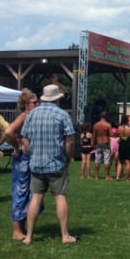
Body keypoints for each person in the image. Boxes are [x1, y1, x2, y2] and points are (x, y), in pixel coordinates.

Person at [21, 84, 78, 245]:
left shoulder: (31, 114)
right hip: (56, 163)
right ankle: (65, 235)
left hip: (36, 164)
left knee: (35, 198)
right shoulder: (61, 115)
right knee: (60, 198)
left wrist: (32, 155)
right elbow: (70, 142)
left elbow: (24, 138)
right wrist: (67, 159)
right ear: (58, 98)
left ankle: (29, 236)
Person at [3, 89, 42, 240]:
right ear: (26, 105)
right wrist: (17, 148)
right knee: (21, 191)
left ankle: (23, 227)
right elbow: (8, 132)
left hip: (28, 157)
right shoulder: (24, 116)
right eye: (35, 102)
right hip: (23, 158)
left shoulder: (30, 116)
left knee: (30, 193)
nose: (38, 104)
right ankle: (17, 231)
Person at [116, 115, 130, 181]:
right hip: (128, 144)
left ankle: (117, 176)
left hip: (121, 144)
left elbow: (118, 136)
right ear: (127, 120)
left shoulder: (119, 128)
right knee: (128, 162)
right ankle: (127, 178)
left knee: (121, 161)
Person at [92, 112, 112, 180]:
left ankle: (97, 176)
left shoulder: (95, 125)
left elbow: (94, 135)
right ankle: (107, 176)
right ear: (106, 116)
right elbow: (111, 134)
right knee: (106, 160)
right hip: (106, 143)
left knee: (97, 160)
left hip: (98, 143)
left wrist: (93, 143)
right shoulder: (108, 124)